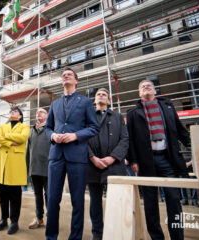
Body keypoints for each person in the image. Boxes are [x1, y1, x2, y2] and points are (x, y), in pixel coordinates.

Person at [127, 79, 190, 240]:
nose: (146, 87)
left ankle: (178, 236)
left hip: (167, 159)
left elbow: (180, 131)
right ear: (139, 93)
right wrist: (133, 160)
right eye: (142, 87)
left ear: (155, 91)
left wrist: (195, 146)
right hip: (146, 162)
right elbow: (131, 139)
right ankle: (157, 237)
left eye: (149, 86)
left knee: (174, 200)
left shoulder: (167, 107)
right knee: (150, 203)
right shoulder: (133, 113)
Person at [45, 67, 99, 240]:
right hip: (56, 155)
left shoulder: (85, 102)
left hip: (77, 155)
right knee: (52, 198)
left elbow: (93, 127)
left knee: (77, 200)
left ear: (76, 81)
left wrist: (75, 135)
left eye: (69, 75)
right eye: (63, 75)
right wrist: (53, 135)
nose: (66, 76)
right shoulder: (55, 104)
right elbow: (47, 127)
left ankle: (75, 237)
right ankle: (51, 236)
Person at [86, 88, 129, 240]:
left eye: (104, 94)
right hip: (93, 165)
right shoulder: (87, 117)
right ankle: (97, 234)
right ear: (95, 100)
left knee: (116, 202)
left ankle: (115, 232)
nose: (101, 96)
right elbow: (83, 140)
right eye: (98, 94)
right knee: (95, 202)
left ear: (109, 100)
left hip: (114, 164)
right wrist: (92, 158)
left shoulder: (118, 116)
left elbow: (125, 139)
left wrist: (112, 157)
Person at [0, 106, 30, 235]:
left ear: (20, 116)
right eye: (11, 111)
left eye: (15, 111)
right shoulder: (2, 127)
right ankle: (3, 219)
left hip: (15, 165)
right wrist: (10, 142)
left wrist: (6, 137)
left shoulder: (25, 127)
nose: (12, 112)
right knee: (3, 195)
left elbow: (22, 138)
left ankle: (14, 221)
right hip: (2, 164)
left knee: (15, 196)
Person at [26, 108, 51, 229]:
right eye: (37, 113)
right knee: (37, 195)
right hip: (34, 168)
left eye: (42, 112)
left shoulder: (51, 129)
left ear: (47, 116)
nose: (38, 113)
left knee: (49, 195)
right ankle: (39, 218)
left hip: (48, 168)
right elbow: (27, 151)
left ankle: (51, 219)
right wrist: (27, 168)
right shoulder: (31, 131)